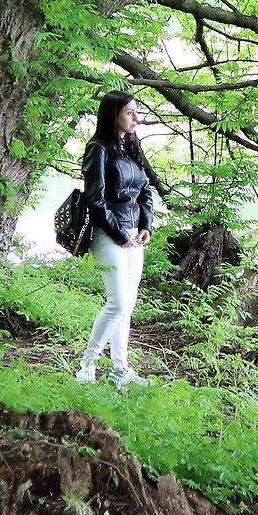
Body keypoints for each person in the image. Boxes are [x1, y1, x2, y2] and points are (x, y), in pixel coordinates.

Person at [76, 90, 160, 386]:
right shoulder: (98, 148)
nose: (136, 118)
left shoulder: (131, 148)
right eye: (129, 112)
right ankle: (87, 366)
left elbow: (145, 191)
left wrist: (145, 225)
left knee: (128, 306)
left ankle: (119, 371)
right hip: (108, 234)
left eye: (136, 112)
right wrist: (121, 234)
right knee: (118, 303)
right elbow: (95, 199)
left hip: (134, 236)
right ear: (114, 115)